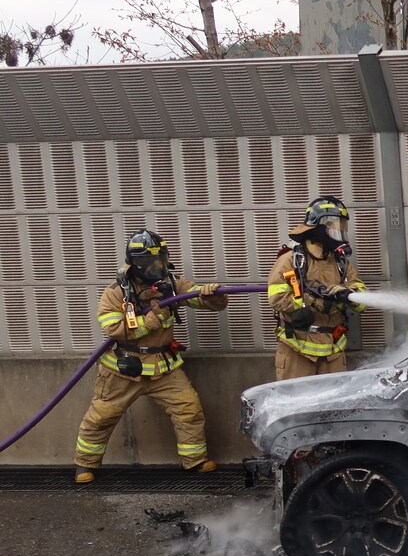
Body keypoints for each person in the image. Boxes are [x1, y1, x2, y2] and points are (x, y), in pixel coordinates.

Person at [73, 229, 228, 484]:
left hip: (163, 367)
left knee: (188, 408)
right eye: (149, 263)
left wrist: (213, 295)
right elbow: (113, 329)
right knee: (102, 416)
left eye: (161, 260)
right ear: (134, 264)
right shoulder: (115, 293)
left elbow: (199, 298)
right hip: (124, 370)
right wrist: (152, 320)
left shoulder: (171, 283)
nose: (157, 267)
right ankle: (84, 465)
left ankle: (195, 461)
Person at [266, 195, 367, 380]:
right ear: (319, 227)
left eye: (342, 226)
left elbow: (362, 299)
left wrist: (348, 295)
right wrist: (311, 303)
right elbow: (276, 296)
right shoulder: (291, 260)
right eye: (335, 225)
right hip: (297, 350)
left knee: (334, 406)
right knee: (296, 405)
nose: (340, 230)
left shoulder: (341, 263)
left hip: (333, 352)